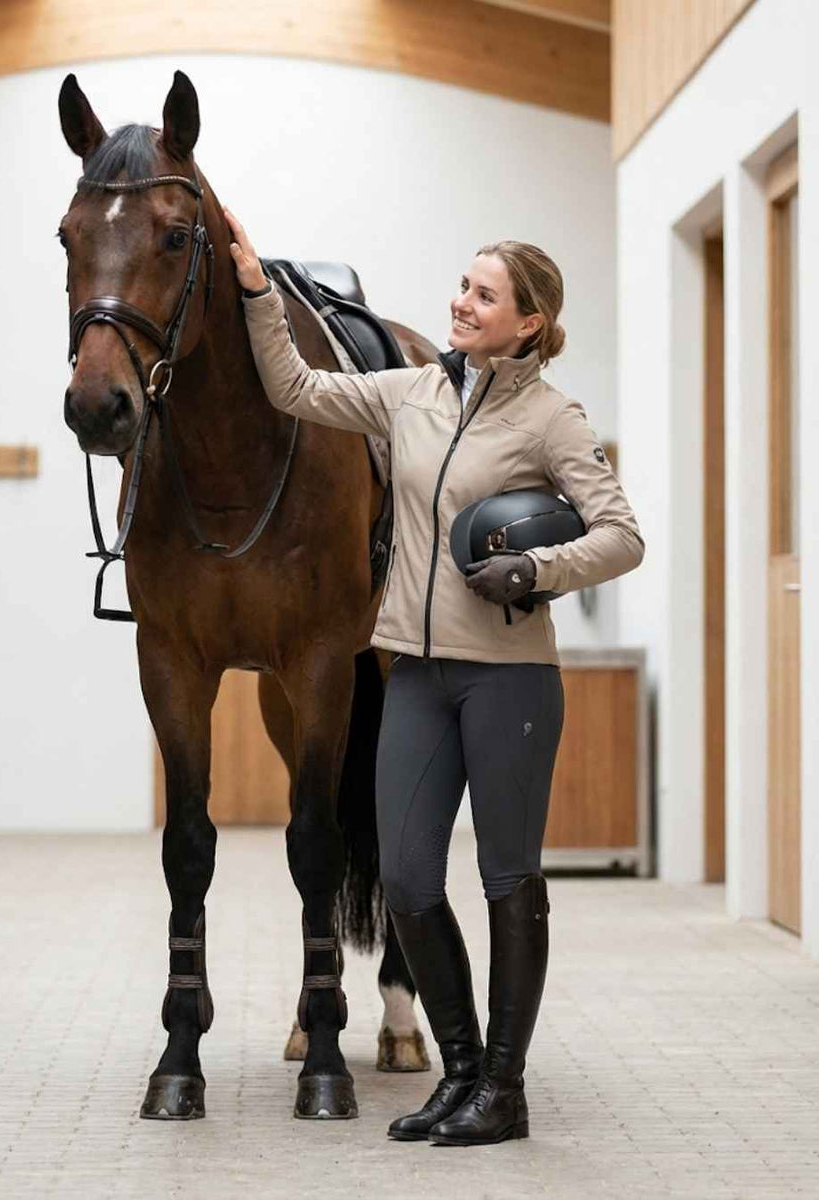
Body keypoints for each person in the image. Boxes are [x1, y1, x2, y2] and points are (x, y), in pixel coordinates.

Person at [224, 209, 644, 1147]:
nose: (462, 302)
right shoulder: (410, 392)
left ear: (528, 322)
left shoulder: (552, 417)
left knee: (506, 878)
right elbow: (294, 385)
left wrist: (539, 571)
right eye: (463, 285)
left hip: (507, 682)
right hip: (413, 674)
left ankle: (504, 1085)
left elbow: (621, 535)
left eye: (484, 294)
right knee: (408, 879)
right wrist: (256, 289)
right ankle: (459, 1072)